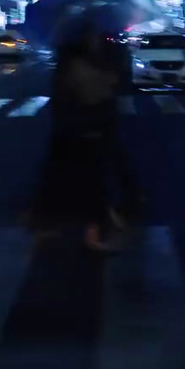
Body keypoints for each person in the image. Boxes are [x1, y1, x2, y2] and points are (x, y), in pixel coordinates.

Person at [31, 23, 125, 251]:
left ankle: (45, 222)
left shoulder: (76, 60)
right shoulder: (76, 63)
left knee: (65, 178)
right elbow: (89, 89)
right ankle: (93, 231)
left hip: (76, 127)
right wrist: (105, 80)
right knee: (88, 180)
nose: (96, 39)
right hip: (79, 127)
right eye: (92, 35)